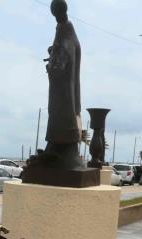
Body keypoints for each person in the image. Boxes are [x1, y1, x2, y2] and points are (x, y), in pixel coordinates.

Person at [44, 0, 82, 168]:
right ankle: (57, 146)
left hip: (63, 89)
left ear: (57, 13)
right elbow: (65, 50)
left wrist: (53, 65)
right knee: (59, 113)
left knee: (59, 113)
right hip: (66, 88)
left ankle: (59, 148)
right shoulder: (69, 32)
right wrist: (54, 51)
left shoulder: (64, 30)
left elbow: (63, 57)